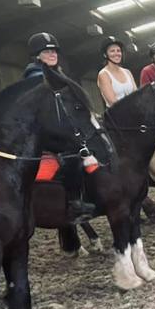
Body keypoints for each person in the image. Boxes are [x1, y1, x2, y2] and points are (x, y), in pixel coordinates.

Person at [22, 32, 94, 222]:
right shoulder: (36, 77)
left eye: (54, 50)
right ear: (37, 56)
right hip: (43, 131)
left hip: (58, 126)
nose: (52, 54)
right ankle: (74, 203)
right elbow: (48, 112)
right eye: (46, 51)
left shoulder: (56, 74)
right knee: (72, 155)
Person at [97, 36, 137, 107]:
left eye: (118, 50)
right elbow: (113, 102)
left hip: (135, 111)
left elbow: (137, 94)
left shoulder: (127, 72)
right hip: (117, 114)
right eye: (112, 51)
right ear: (105, 54)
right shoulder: (103, 74)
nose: (116, 53)